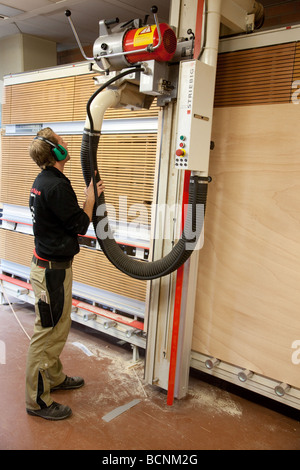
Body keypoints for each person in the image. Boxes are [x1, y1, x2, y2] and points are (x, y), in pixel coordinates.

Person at [25, 127, 103, 420]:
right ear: (56, 152)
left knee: (56, 328)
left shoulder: (45, 181)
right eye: (62, 141)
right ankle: (38, 402)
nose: (67, 143)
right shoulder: (56, 186)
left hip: (50, 267)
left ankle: (54, 377)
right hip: (51, 272)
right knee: (47, 335)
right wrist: (90, 199)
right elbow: (80, 225)